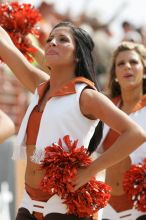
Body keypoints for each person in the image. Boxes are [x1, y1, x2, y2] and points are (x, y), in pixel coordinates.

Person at [0, 22, 145, 220]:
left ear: (77, 55)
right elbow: (7, 50)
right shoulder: (39, 85)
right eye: (50, 39)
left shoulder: (86, 96)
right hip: (28, 200)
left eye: (62, 40)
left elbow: (135, 134)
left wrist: (91, 171)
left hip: (63, 203)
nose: (52, 43)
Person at [99, 41, 146, 220]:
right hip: (109, 209)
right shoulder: (105, 109)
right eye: (121, 63)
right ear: (115, 74)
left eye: (133, 62)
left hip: (141, 208)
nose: (127, 66)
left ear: (144, 71)